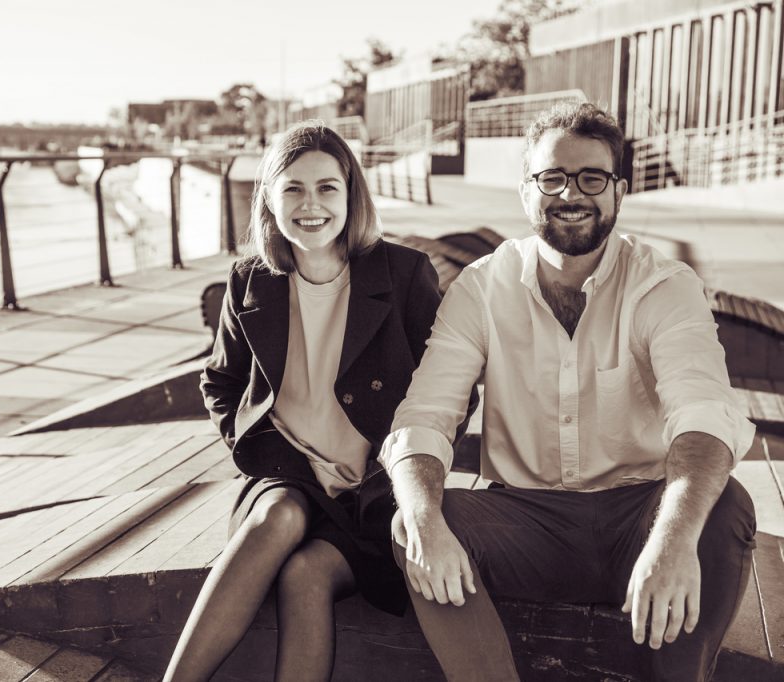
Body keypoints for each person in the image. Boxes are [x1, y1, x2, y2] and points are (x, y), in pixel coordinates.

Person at [380, 102, 757, 681]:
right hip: (526, 522)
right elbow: (424, 416)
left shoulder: (663, 285)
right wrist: (424, 517)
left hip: (640, 514)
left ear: (619, 192)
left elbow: (703, 414)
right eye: (551, 177)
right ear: (526, 192)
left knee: (723, 505)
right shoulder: (481, 287)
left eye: (592, 178)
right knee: (416, 519)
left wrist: (672, 539)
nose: (571, 193)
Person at [164, 121, 458, 681]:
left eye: (327, 187)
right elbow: (220, 382)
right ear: (269, 198)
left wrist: (417, 475)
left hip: (377, 489)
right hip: (287, 474)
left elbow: (450, 389)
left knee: (306, 575)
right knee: (277, 517)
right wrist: (252, 444)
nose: (310, 205)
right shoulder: (250, 280)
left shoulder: (403, 274)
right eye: (293, 188)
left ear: (351, 194)